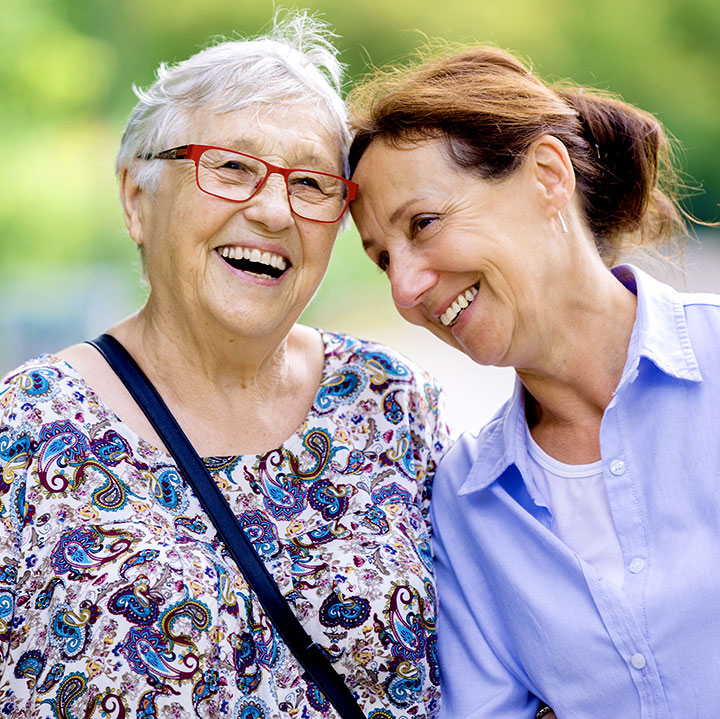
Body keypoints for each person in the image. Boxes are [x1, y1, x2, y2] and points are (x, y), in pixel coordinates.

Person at [0, 14, 451, 719]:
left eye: (311, 183)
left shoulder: (391, 402)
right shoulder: (24, 430)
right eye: (232, 166)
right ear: (135, 197)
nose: (274, 210)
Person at [348, 43, 720, 718]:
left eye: (423, 224)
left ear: (547, 174)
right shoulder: (469, 498)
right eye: (382, 261)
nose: (406, 287)